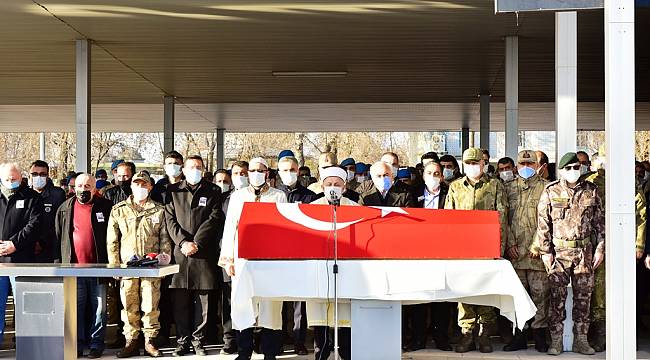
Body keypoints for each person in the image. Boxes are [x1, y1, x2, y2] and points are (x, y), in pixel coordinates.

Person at [537, 152, 605, 356]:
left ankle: (581, 340)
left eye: (576, 167)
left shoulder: (591, 191)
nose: (573, 171)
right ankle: (556, 340)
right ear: (561, 170)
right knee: (557, 298)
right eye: (569, 168)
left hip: (584, 253)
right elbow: (543, 224)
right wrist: (545, 252)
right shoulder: (550, 191)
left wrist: (600, 248)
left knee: (583, 299)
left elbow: (599, 223)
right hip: (559, 253)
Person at [219, 157, 287, 360]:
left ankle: (270, 352)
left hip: (270, 261)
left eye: (261, 170)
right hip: (244, 260)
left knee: (271, 307)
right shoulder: (237, 197)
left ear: (267, 173)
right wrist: (229, 259)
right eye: (253, 170)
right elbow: (230, 227)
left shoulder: (279, 196)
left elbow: (283, 230)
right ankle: (244, 351)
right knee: (242, 304)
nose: (256, 174)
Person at [444, 147, 508, 353]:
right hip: (462, 251)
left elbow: (502, 219)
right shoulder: (455, 187)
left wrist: (499, 249)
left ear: (483, 164)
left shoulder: (495, 185)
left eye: (476, 163)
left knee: (486, 290)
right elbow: (448, 219)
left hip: (487, 249)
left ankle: (485, 334)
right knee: (465, 291)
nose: (472, 167)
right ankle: (467, 333)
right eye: (468, 163)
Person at [583, 148, 646, 352]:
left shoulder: (628, 181)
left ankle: (627, 333)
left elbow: (641, 215)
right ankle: (601, 334)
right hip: (597, 244)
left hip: (623, 245)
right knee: (599, 292)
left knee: (625, 291)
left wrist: (638, 245)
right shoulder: (590, 181)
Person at [107, 171, 172, 358]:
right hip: (127, 267)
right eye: (137, 184)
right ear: (131, 186)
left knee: (151, 304)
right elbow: (112, 240)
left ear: (150, 187)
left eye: (144, 184)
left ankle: (149, 341)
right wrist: (114, 264)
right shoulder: (119, 210)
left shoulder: (159, 210)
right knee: (128, 304)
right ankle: (131, 341)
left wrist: (163, 261)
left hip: (151, 267)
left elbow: (165, 239)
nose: (140, 188)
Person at [165, 155, 223, 357]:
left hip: (203, 254)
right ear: (183, 169)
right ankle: (182, 342)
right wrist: (183, 242)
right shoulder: (172, 191)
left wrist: (196, 243)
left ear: (203, 169)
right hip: (180, 255)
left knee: (203, 304)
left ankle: (199, 341)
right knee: (180, 303)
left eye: (198, 167)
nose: (194, 170)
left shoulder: (214, 190)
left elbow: (213, 218)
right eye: (191, 167)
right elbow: (170, 219)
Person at [54, 173, 112, 358]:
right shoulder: (64, 208)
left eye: (88, 186)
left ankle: (96, 344)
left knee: (99, 309)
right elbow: (57, 238)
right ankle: (76, 345)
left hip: (99, 269)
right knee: (75, 308)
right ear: (73, 187)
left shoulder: (106, 207)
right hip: (73, 269)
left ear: (94, 188)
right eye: (80, 186)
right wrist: (59, 266)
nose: (83, 189)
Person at [306, 166, 356, 360]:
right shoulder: (312, 208)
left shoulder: (354, 207)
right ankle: (321, 352)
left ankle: (346, 353)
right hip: (320, 268)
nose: (333, 188)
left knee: (345, 318)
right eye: (329, 184)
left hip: (347, 269)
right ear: (322, 186)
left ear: (344, 187)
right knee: (321, 316)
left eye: (337, 184)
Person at [502, 150, 550, 352]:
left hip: (536, 253)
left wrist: (538, 243)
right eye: (522, 163)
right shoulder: (508, 188)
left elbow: (548, 219)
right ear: (517, 166)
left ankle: (539, 335)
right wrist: (510, 244)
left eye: (530, 163)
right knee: (517, 296)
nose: (526, 167)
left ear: (538, 165)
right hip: (515, 253)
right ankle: (519, 335)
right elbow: (504, 218)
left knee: (540, 295)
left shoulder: (547, 188)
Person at [406, 161, 452, 352]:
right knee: (420, 297)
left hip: (443, 250)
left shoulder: (450, 192)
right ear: (423, 175)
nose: (433, 176)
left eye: (437, 173)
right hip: (418, 251)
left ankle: (441, 336)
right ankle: (418, 338)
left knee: (442, 297)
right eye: (429, 173)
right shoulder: (412, 193)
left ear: (442, 176)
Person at [275, 156, 316, 355]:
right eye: (284, 170)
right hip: (278, 255)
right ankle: (280, 338)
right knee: (279, 300)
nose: (289, 173)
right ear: (278, 172)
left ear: (298, 171)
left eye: (292, 169)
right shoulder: (273, 195)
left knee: (300, 301)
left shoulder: (309, 196)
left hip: (301, 254)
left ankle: (299, 340)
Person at [0, 162, 43, 345]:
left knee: (25, 305)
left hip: (22, 259)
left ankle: (26, 343)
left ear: (21, 177)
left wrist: (15, 244)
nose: (11, 182)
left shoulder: (32, 197)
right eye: (8, 179)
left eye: (14, 179)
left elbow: (34, 224)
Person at [213, 169, 238, 354]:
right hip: (225, 254)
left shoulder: (242, 198)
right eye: (219, 181)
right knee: (227, 299)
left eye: (226, 180)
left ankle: (251, 338)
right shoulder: (219, 200)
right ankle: (229, 338)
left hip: (247, 255)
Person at [28, 160, 66, 263]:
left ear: (47, 176)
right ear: (29, 175)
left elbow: (60, 222)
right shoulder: (24, 195)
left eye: (42, 174)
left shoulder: (57, 194)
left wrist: (42, 242)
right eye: (35, 174)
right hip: (27, 249)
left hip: (51, 250)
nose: (38, 177)